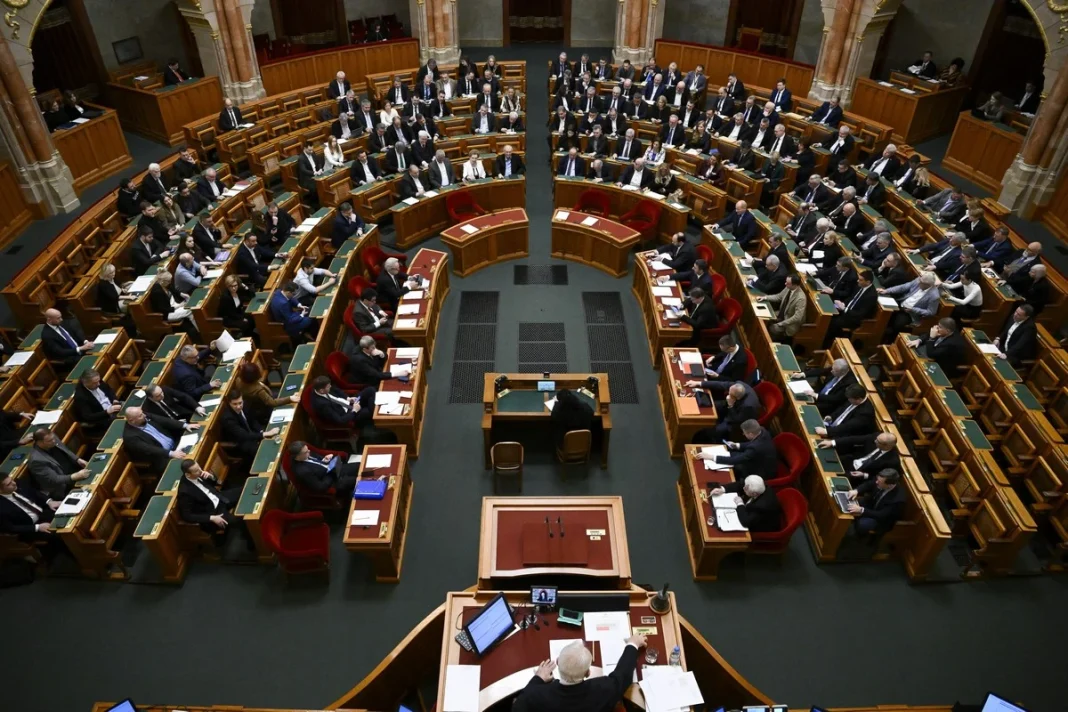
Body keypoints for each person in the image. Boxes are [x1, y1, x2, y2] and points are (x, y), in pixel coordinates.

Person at [513, 634, 646, 712]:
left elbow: (518, 706)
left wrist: (538, 678)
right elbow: (623, 675)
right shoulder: (603, 690)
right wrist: (633, 643)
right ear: (588, 673)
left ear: (558, 662)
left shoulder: (536, 694)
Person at [176, 459, 242, 539]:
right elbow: (187, 515)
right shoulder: (184, 492)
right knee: (240, 520)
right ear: (188, 475)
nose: (200, 471)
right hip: (214, 512)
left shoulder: (198, 473)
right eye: (196, 471)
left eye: (199, 467)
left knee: (245, 490)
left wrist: (211, 477)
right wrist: (211, 518)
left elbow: (215, 483)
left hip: (220, 497)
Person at [122, 406, 196, 472]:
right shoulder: (130, 436)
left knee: (196, 446)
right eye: (140, 416)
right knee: (188, 464)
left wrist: (185, 425)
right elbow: (149, 449)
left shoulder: (144, 416)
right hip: (162, 458)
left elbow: (164, 420)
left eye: (142, 413)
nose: (144, 415)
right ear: (132, 420)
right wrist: (171, 453)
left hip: (175, 443)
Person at [27, 428, 90, 500]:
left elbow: (65, 449)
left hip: (75, 470)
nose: (54, 441)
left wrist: (77, 459)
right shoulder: (36, 461)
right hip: (64, 486)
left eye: (53, 438)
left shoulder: (51, 438)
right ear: (39, 443)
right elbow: (55, 479)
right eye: (50, 441)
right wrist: (75, 476)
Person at [0, 472, 58, 547]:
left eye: (12, 480)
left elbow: (34, 492)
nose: (14, 483)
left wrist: (49, 501)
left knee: (67, 514)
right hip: (31, 528)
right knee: (59, 535)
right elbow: (10, 528)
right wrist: (37, 527)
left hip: (43, 513)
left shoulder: (17, 484)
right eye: (8, 484)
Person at [220, 391, 279, 461]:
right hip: (240, 442)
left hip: (250, 432)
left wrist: (261, 430)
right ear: (229, 403)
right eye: (234, 404)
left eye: (240, 403)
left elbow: (253, 420)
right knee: (261, 451)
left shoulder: (245, 405)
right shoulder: (227, 418)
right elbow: (244, 435)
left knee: (271, 436)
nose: (238, 406)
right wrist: (265, 434)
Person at [288, 441, 358, 499]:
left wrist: (324, 460)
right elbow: (320, 487)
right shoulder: (303, 471)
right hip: (333, 482)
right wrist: (331, 473)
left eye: (308, 449)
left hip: (335, 469)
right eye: (306, 452)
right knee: (359, 480)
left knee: (360, 466)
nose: (309, 451)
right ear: (298, 456)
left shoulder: (305, 454)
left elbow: (317, 458)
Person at [696, 382, 762, 444]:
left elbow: (737, 420)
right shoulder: (738, 385)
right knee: (710, 404)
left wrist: (731, 406)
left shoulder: (748, 406)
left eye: (730, 395)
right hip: (732, 406)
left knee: (714, 430)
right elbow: (722, 384)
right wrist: (700, 383)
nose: (727, 395)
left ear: (737, 398)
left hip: (736, 422)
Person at [880, 272, 940, 337]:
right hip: (900, 303)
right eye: (920, 279)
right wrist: (887, 290)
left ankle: (889, 339)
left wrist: (913, 309)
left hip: (910, 314)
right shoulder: (919, 280)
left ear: (928, 285)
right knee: (884, 312)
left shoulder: (934, 296)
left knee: (898, 325)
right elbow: (903, 287)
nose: (918, 282)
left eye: (921, 282)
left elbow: (931, 312)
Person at [824, 270, 877, 344]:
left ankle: (827, 343)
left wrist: (844, 309)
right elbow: (851, 298)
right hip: (845, 309)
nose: (858, 281)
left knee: (832, 322)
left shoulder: (871, 296)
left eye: (861, 280)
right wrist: (841, 304)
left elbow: (860, 314)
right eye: (858, 279)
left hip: (854, 319)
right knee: (828, 309)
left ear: (868, 282)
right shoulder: (859, 285)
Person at [821, 432, 901, 481]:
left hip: (858, 475)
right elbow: (856, 439)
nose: (875, 441)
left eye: (878, 441)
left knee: (830, 478)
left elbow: (880, 478)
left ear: (887, 446)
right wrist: (833, 442)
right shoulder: (877, 437)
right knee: (824, 461)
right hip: (851, 460)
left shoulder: (892, 461)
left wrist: (864, 475)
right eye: (876, 439)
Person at [847, 469, 905, 536]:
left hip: (880, 520)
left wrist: (861, 510)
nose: (876, 482)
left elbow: (881, 515)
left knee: (863, 524)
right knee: (851, 502)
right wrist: (856, 490)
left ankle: (856, 534)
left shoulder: (898, 500)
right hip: (871, 505)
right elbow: (869, 484)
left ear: (890, 485)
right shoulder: (882, 480)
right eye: (877, 480)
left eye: (879, 482)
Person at [309, 375, 376, 428]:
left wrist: (347, 398)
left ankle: (372, 408)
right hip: (347, 413)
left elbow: (337, 391)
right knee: (369, 411)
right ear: (321, 391)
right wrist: (355, 410)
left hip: (349, 403)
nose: (330, 387)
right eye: (328, 387)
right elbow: (340, 420)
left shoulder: (323, 386)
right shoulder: (323, 405)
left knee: (370, 389)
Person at [72, 368, 122, 436]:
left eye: (98, 381)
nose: (98, 384)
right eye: (95, 383)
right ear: (85, 383)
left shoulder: (97, 381)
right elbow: (88, 416)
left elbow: (110, 390)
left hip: (114, 407)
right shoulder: (80, 396)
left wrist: (114, 399)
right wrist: (107, 411)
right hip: (103, 419)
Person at [762, 274, 806, 341]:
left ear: (795, 285)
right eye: (786, 282)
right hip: (781, 314)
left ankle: (768, 344)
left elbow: (798, 317)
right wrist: (765, 297)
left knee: (773, 329)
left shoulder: (801, 298)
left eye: (788, 283)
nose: (785, 284)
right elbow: (778, 297)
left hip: (789, 323)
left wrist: (782, 323)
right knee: (765, 317)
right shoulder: (788, 288)